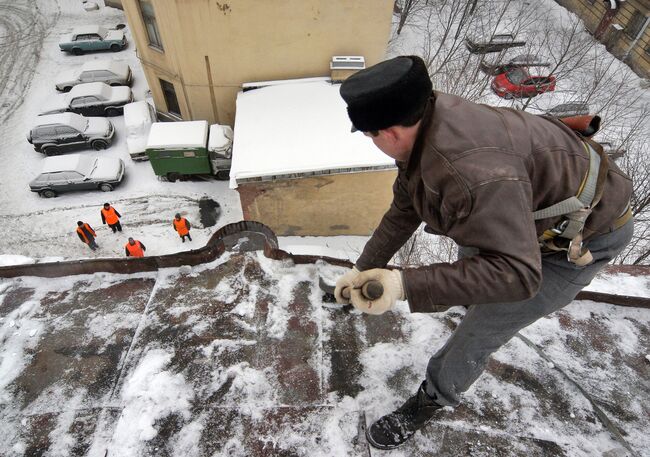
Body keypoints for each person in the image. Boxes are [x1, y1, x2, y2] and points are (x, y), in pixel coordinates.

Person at [335, 55, 633, 450]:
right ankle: (461, 297)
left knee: (481, 327)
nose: (374, 144)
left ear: (388, 132)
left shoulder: (470, 171)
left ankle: (432, 399)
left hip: (578, 242)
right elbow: (404, 208)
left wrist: (403, 284)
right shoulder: (426, 121)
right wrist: (363, 268)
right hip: (520, 215)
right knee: (472, 270)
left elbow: (519, 274)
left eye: (370, 135)